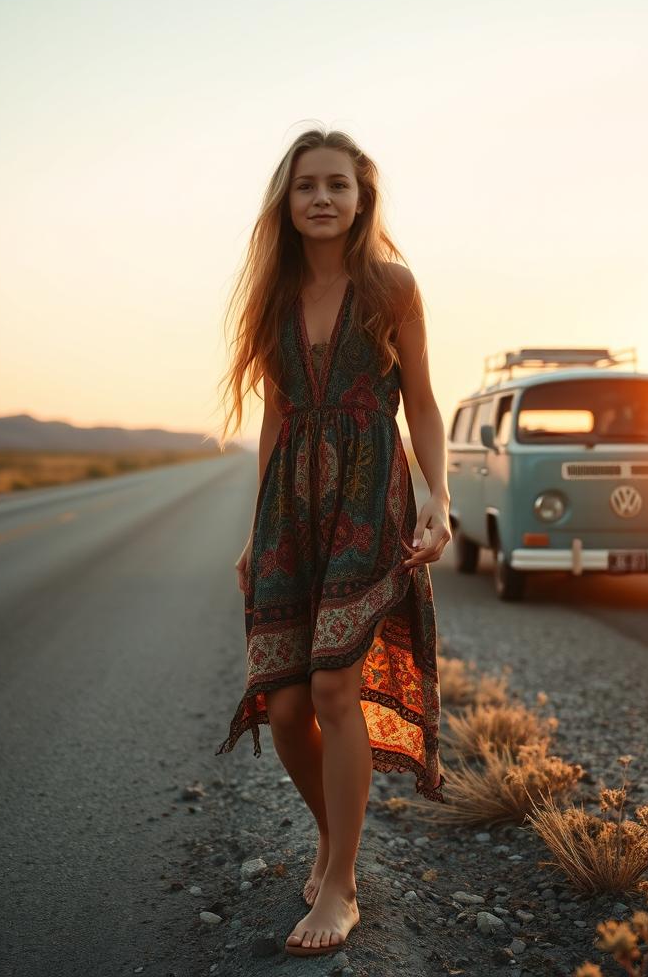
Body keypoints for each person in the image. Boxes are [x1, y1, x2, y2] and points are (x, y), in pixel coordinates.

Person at [214, 127, 450, 957]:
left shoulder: (392, 287)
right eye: (306, 185)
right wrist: (255, 533)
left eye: (337, 185)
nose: (321, 198)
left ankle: (343, 884)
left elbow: (420, 400)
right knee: (283, 704)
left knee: (332, 691)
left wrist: (439, 498)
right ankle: (330, 836)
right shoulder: (273, 298)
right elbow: (276, 415)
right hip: (291, 511)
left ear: (361, 198)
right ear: (287, 199)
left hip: (367, 498)